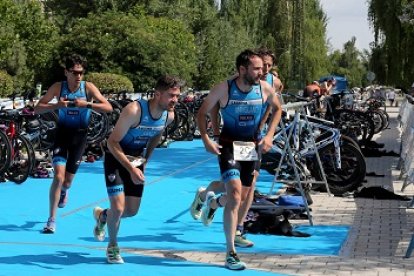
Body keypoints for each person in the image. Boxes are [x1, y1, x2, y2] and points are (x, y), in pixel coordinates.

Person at [195, 49, 282, 270]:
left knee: (241, 198)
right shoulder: (224, 88)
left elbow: (278, 109)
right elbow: (202, 112)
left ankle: (214, 202)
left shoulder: (264, 88)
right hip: (229, 146)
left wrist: (270, 134)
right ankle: (230, 252)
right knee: (234, 194)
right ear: (242, 69)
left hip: (251, 147)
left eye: (262, 68)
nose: (261, 72)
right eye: (256, 68)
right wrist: (207, 138)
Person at [92, 75, 182, 264]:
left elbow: (157, 135)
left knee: (131, 211)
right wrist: (131, 169)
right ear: (157, 94)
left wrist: (146, 160)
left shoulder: (169, 115)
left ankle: (103, 215)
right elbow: (111, 142)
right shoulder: (134, 110)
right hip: (116, 157)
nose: (175, 100)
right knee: (118, 207)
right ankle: (113, 247)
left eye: (177, 96)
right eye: (171, 96)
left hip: (136, 160)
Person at [34, 54, 112, 234]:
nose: (78, 76)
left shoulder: (88, 88)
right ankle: (52, 220)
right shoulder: (57, 87)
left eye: (81, 73)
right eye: (75, 72)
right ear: (66, 72)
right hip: (61, 135)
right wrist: (56, 106)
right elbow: (38, 108)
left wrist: (86, 105)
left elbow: (108, 107)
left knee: (67, 182)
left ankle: (64, 191)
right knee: (58, 177)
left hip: (80, 138)